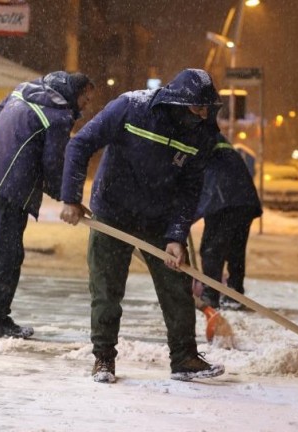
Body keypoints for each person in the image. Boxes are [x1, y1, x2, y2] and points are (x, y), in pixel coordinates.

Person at [59, 68, 226, 383]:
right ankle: (104, 360)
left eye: (207, 108)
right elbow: (80, 145)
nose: (203, 114)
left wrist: (176, 235)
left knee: (177, 288)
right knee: (107, 290)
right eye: (197, 108)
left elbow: (190, 189)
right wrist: (70, 198)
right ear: (177, 102)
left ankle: (184, 358)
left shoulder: (201, 134)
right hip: (113, 212)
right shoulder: (131, 107)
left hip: (160, 220)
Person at [0, 71, 95, 338]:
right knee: (10, 253)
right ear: (75, 94)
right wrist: (69, 199)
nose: (87, 106)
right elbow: (53, 163)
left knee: (1, 245)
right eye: (86, 99)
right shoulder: (59, 117)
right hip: (11, 183)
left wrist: (14, 140)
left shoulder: (26, 89)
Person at [194, 134, 263, 310]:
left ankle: (211, 296)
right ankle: (234, 292)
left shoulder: (195, 137)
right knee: (235, 250)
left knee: (211, 250)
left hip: (224, 199)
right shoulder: (212, 137)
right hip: (243, 199)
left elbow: (191, 183)